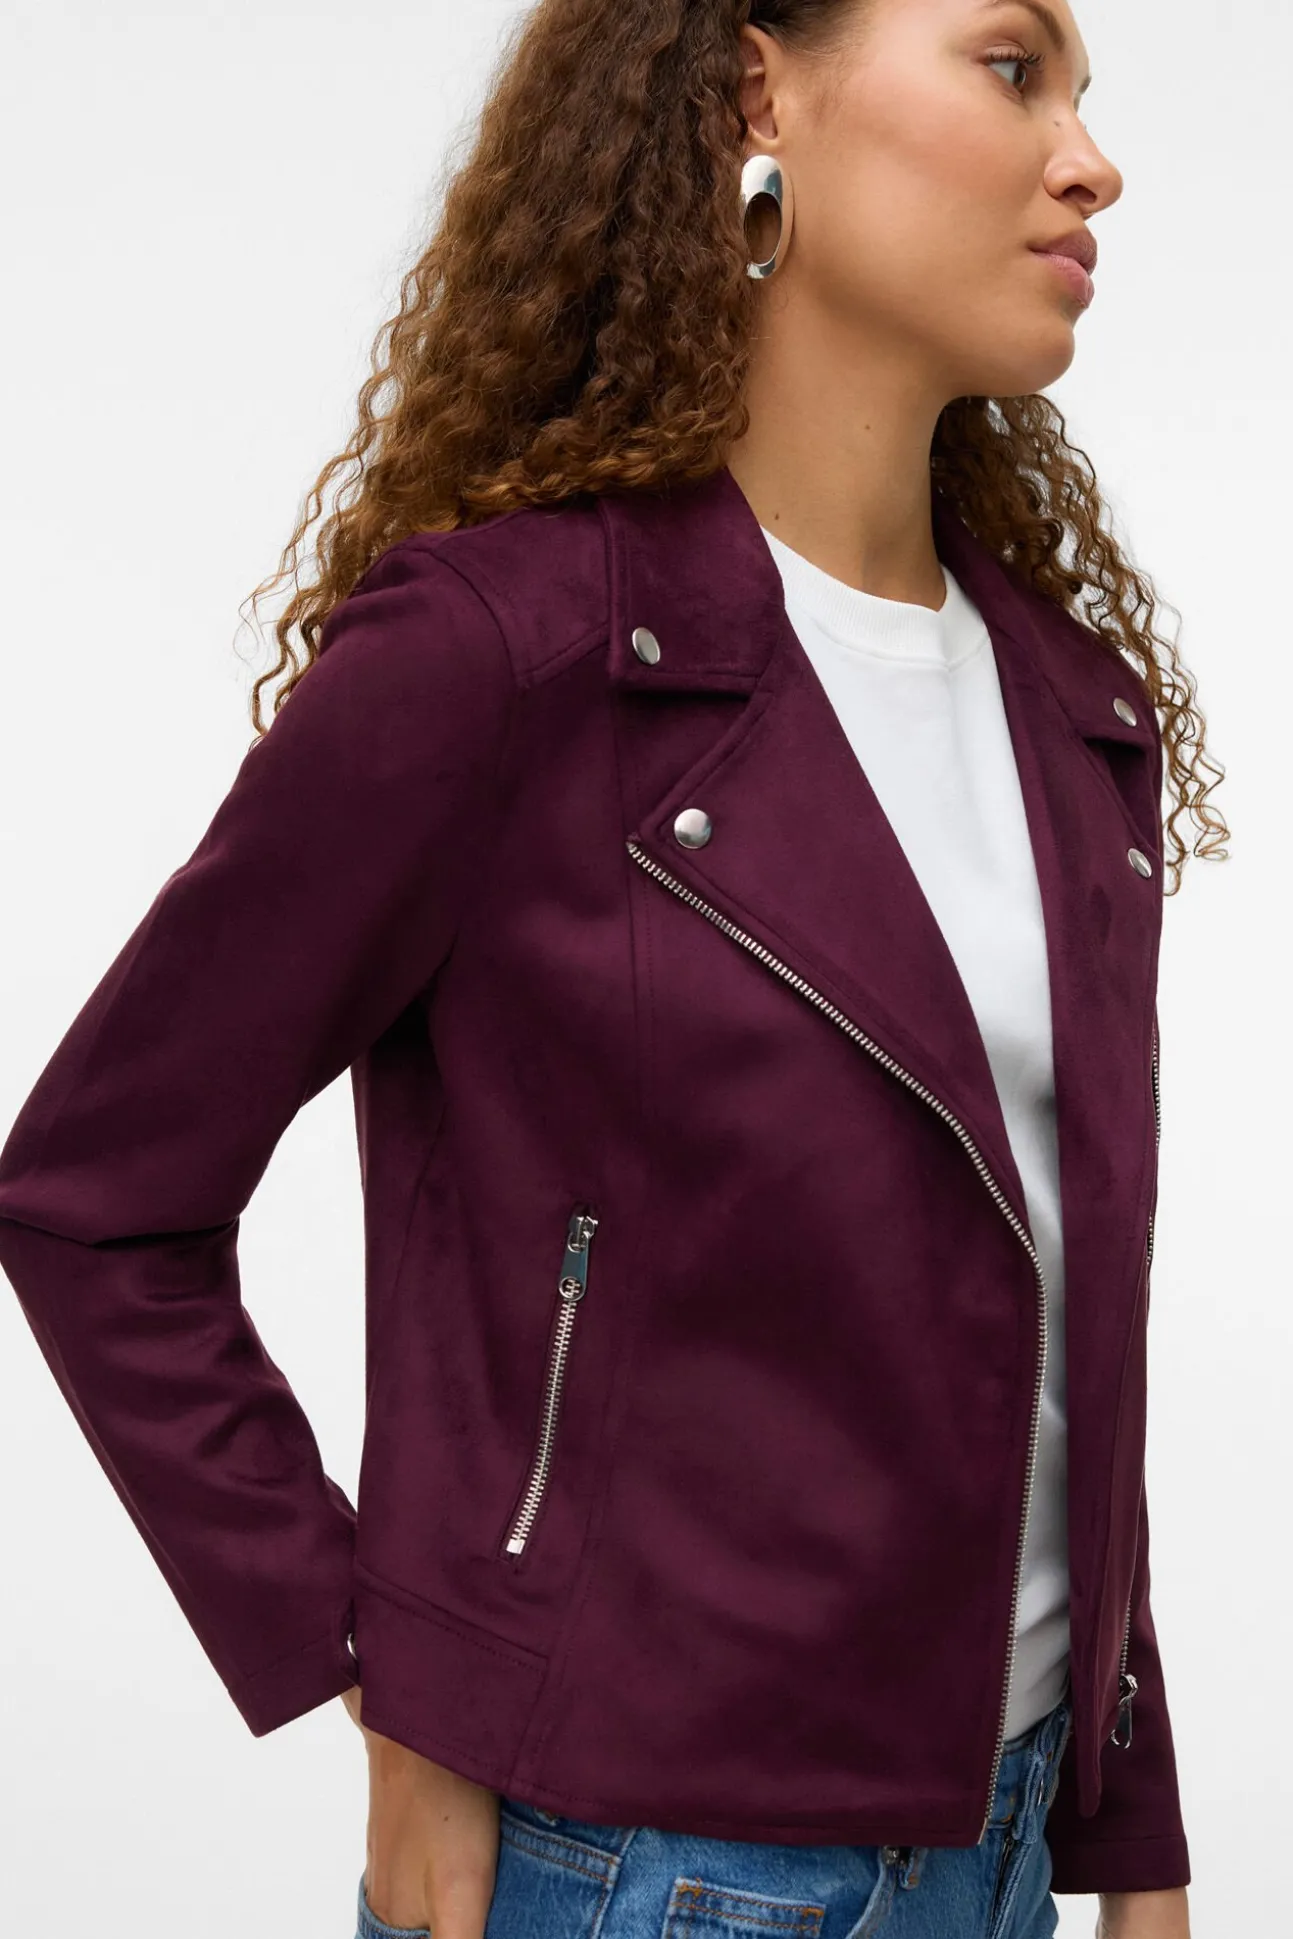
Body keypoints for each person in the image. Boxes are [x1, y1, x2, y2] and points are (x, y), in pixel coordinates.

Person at [0, 2, 1225, 1936]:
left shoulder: (1073, 710)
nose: (1091, 158)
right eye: (1013, 68)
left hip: (1003, 1847)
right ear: (757, 91)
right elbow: (95, 1196)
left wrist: (1130, 1825)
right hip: (640, 1868)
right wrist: (393, 1679)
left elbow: (1062, 1297)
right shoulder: (513, 655)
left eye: (1088, 93)